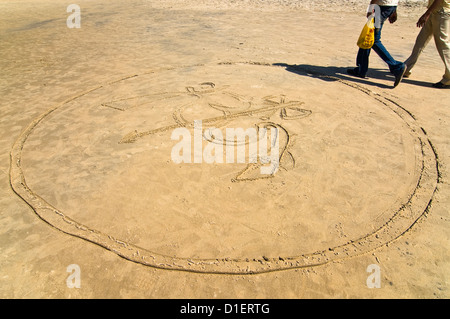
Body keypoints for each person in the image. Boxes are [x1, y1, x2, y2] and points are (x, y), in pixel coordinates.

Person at [348, 0, 407, 87]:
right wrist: (394, 8)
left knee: (374, 39)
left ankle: (396, 67)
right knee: (368, 36)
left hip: (380, 7)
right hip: (390, 5)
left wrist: (370, 8)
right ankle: (361, 69)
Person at [404, 0, 450, 89]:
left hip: (441, 12)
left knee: (443, 45)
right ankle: (406, 68)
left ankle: (449, 78)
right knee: (420, 42)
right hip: (434, 11)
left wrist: (426, 14)